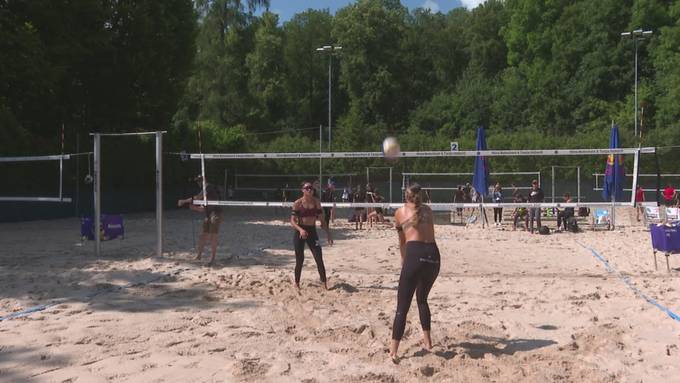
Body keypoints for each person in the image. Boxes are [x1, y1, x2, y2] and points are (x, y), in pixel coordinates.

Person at [389, 183, 440, 362]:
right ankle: (428, 342)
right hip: (434, 257)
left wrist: (404, 260)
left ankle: (394, 351)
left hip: (415, 254)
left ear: (406, 196)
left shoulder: (400, 212)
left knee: (402, 307)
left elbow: (402, 241)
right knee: (422, 299)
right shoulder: (428, 210)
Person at [290, 182, 333, 289]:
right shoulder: (298, 203)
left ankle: (324, 283)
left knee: (318, 257)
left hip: (312, 231)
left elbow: (322, 221)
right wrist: (300, 230)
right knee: (300, 259)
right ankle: (297, 283)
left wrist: (328, 234)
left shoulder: (316, 202)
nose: (310, 190)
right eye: (307, 188)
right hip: (300, 231)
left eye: (311, 188)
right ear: (303, 190)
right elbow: (292, 221)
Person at [177, 175, 223, 266]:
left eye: (199, 181)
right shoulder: (206, 190)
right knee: (203, 236)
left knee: (213, 236)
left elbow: (198, 197)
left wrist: (184, 201)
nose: (198, 183)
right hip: (209, 214)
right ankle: (199, 255)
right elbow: (203, 208)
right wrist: (194, 208)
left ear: (204, 180)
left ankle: (212, 259)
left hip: (216, 214)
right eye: (198, 181)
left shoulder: (208, 187)